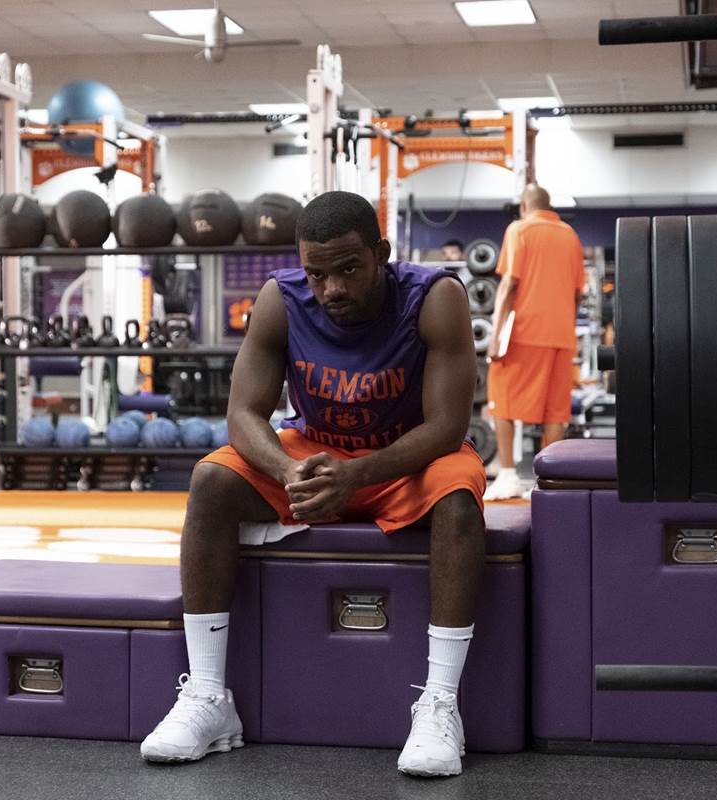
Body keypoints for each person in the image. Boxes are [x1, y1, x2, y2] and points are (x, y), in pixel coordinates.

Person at [140, 191, 485, 777]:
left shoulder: (435, 297)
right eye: (317, 274)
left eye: (348, 269)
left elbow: (448, 426)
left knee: (458, 495)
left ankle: (439, 704)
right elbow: (243, 414)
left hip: (405, 458)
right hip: (315, 458)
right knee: (212, 480)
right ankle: (208, 695)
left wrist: (357, 474)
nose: (332, 289)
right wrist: (287, 471)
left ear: (381, 254)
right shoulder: (281, 299)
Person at [483, 184, 584, 501]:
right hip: (561, 335)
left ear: (524, 207)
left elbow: (509, 284)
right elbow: (578, 293)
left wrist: (495, 336)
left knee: (501, 399)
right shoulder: (570, 235)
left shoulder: (519, 229)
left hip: (524, 332)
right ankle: (547, 480)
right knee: (556, 412)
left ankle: (508, 476)